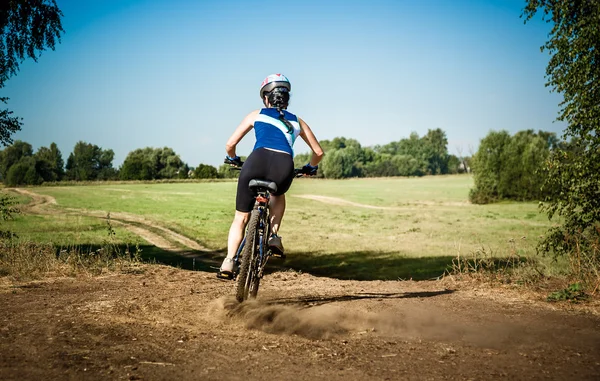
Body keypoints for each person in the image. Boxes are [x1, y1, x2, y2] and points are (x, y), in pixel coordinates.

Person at [217, 73, 324, 279]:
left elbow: (230, 145)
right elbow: (318, 152)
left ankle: (229, 261)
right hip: (284, 165)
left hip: (255, 161)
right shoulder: (297, 121)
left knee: (241, 217)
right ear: (286, 98)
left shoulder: (256, 114)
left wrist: (233, 158)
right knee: (278, 194)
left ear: (266, 97)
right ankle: (274, 236)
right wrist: (310, 167)